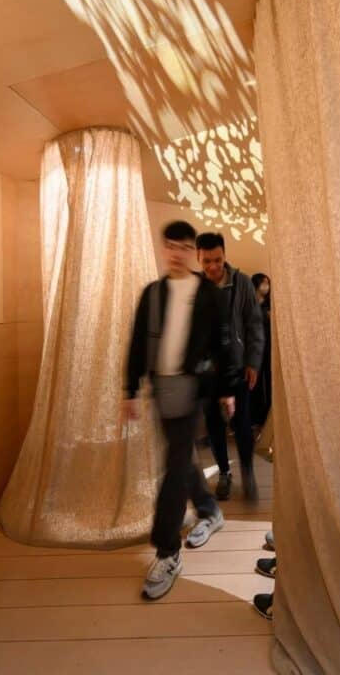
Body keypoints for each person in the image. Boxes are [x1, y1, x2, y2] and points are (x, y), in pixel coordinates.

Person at [124, 221, 238, 600]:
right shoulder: (153, 294)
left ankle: (168, 550)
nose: (175, 252)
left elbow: (222, 346)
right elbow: (139, 342)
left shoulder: (207, 294)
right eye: (169, 245)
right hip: (161, 389)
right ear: (163, 248)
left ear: (193, 252)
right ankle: (209, 510)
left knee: (173, 467)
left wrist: (226, 390)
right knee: (181, 458)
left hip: (192, 390)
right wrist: (130, 387)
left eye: (183, 246)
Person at [196, 233, 265, 500]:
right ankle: (224, 473)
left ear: (224, 255)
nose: (213, 267)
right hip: (207, 374)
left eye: (217, 260)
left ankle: (247, 472)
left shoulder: (243, 283)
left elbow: (254, 326)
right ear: (198, 258)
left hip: (237, 369)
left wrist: (253, 362)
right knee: (214, 426)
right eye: (207, 262)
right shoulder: (196, 287)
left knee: (242, 423)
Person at [250, 273, 273, 431]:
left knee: (269, 380)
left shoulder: (270, 305)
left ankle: (269, 414)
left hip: (269, 347)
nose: (266, 286)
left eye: (267, 283)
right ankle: (257, 416)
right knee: (256, 383)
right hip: (256, 350)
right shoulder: (250, 305)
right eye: (263, 283)